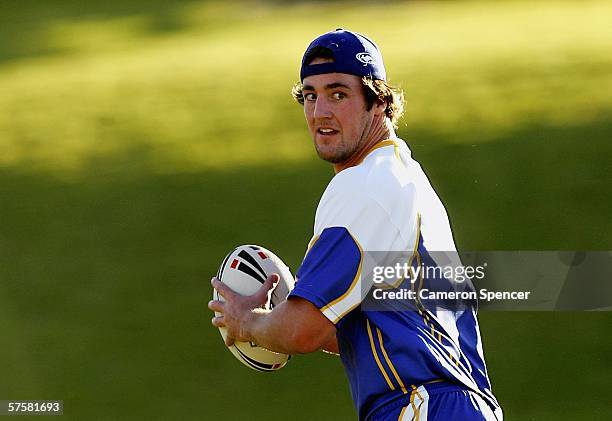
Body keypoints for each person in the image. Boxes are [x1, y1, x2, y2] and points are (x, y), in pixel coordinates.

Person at [209, 28, 503, 420]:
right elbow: (369, 332)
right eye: (310, 96)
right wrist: (275, 320)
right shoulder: (401, 178)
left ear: (378, 103)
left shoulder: (365, 185)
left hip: (424, 407)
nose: (319, 112)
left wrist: (247, 322)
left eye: (338, 93)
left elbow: (303, 331)